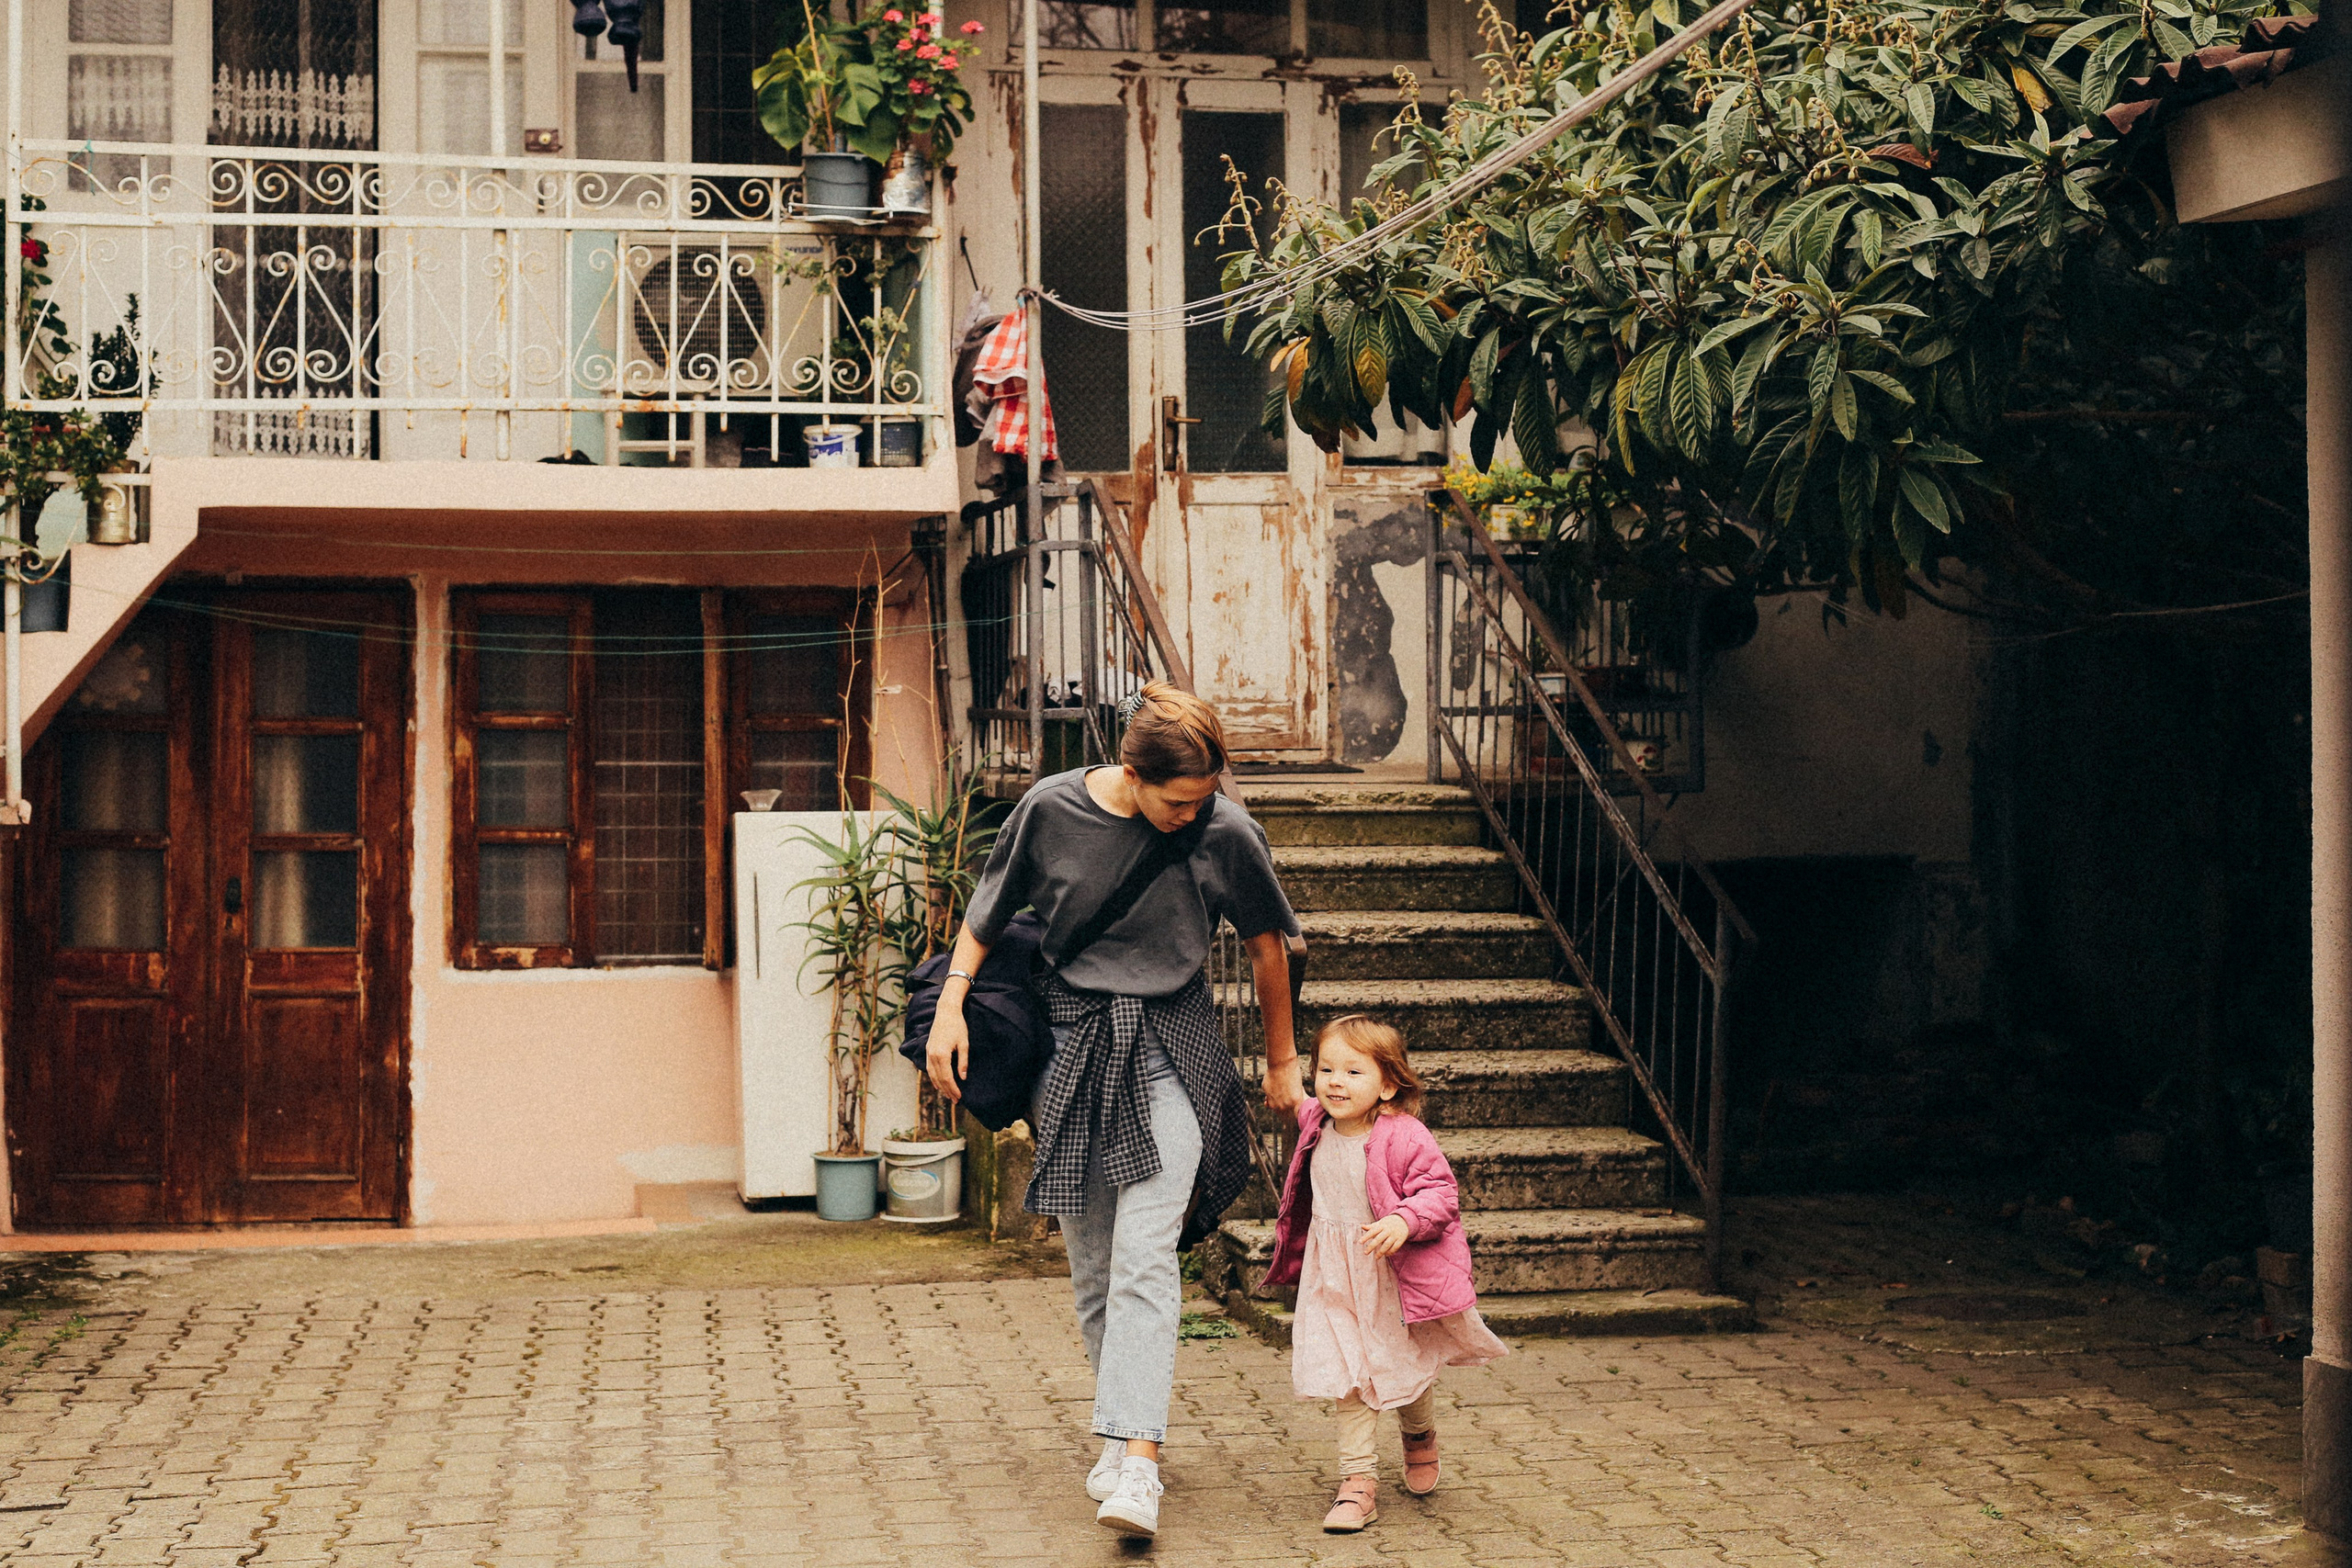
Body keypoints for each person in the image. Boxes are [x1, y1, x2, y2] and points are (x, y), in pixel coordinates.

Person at [924, 683, 1305, 1540]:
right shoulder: (1050, 808)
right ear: (1131, 773)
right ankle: (1120, 1428)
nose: (1193, 813)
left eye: (1205, 797)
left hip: (1173, 1043)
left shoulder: (1224, 831)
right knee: (1094, 1264)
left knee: (1143, 1254)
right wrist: (951, 1006)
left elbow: (1267, 941)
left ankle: (1138, 1463)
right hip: (1073, 1044)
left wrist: (1282, 1060)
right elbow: (987, 911)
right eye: (1177, 800)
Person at [1259, 1014, 1510, 1533]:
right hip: (1332, 1278)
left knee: (1404, 1368)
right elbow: (1291, 1094)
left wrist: (1403, 1219)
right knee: (1349, 1378)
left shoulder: (1404, 1136)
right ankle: (1358, 1484)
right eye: (1326, 1069)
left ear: (1389, 1084)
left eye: (1354, 1072)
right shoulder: (1315, 1124)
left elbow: (1441, 1194)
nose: (1335, 1082)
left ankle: (1419, 1438)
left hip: (1390, 1279)